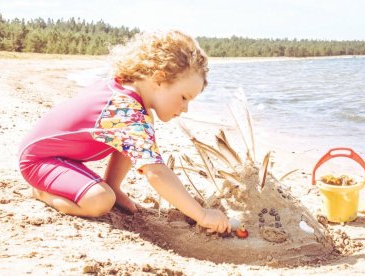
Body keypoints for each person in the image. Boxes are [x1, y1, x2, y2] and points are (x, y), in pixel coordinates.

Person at [18, 30, 231, 234]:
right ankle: (43, 193)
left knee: (137, 136)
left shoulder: (129, 95)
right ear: (159, 79)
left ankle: (113, 185)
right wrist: (202, 215)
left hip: (59, 156)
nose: (185, 108)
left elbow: (133, 144)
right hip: (39, 160)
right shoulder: (126, 110)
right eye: (184, 97)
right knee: (100, 200)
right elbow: (155, 173)